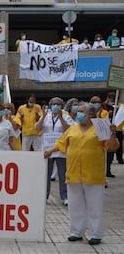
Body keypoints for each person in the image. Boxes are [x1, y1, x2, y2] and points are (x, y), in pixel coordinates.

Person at [44, 102, 119, 245]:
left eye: (81, 111)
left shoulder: (100, 128)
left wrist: (112, 134)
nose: (78, 113)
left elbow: (111, 148)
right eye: (78, 111)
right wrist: (50, 151)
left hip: (93, 174)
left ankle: (95, 234)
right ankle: (76, 232)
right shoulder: (72, 129)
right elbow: (61, 143)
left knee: (94, 205)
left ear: (90, 114)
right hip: (73, 173)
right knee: (75, 205)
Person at [35, 97, 73, 206]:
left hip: (61, 149)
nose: (55, 106)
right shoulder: (46, 116)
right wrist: (43, 117)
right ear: (50, 105)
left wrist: (61, 118)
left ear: (61, 106)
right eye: (54, 104)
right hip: (47, 149)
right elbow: (37, 128)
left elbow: (69, 129)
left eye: (58, 104)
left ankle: (65, 196)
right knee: (46, 174)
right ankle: (44, 196)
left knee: (62, 174)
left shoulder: (66, 117)